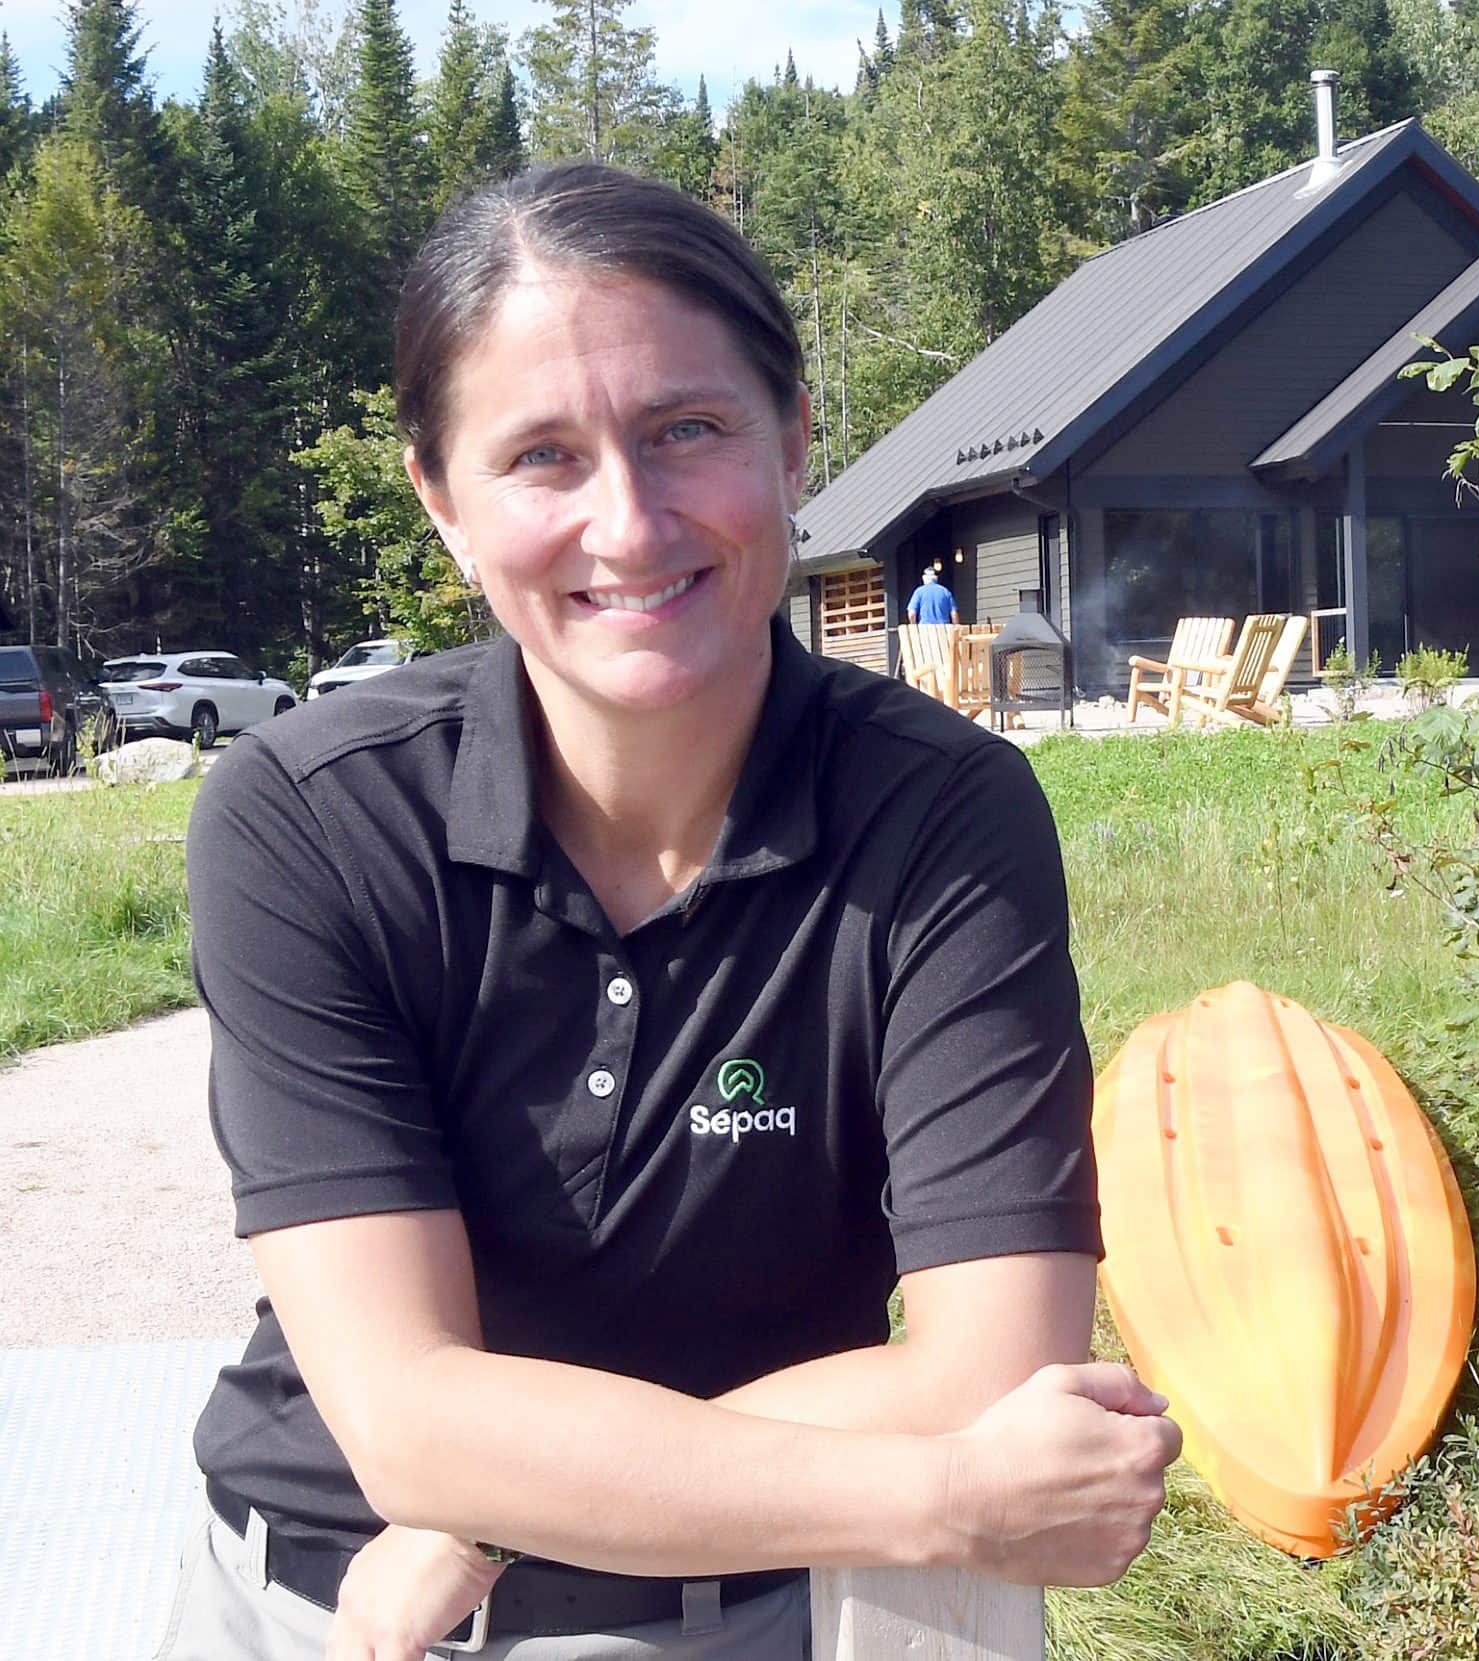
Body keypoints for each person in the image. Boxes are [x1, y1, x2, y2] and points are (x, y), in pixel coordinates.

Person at [158, 163, 1179, 1661]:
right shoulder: (309, 822)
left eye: (684, 429)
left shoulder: (941, 819)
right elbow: (403, 1419)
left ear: (792, 438)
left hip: (756, 1614)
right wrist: (951, 1495)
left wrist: (496, 1500)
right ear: (442, 502)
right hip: (327, 1610)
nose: (629, 525)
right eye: (542, 457)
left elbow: (997, 1365)